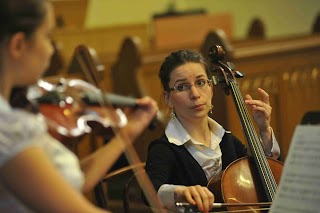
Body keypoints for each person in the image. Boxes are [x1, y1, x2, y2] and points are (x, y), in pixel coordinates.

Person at [0, 0, 158, 212]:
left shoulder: (13, 116)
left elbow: (68, 182)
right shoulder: (7, 126)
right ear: (18, 45)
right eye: (47, 36)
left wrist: (127, 133)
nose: (50, 50)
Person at [145, 49, 280, 212]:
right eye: (181, 87)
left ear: (211, 87)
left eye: (200, 83)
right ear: (168, 98)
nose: (195, 94)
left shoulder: (226, 140)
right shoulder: (164, 149)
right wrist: (180, 192)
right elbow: (149, 193)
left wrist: (264, 129)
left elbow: (261, 173)